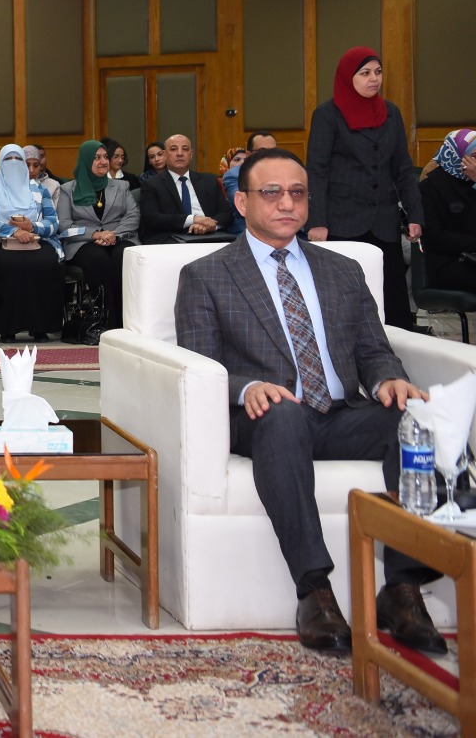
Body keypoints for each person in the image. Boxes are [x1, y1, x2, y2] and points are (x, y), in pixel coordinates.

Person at [175, 148, 443, 655]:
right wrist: (247, 388)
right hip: (263, 419)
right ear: (242, 202)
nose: (287, 204)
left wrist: (389, 381)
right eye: (271, 193)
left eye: (297, 193)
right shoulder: (207, 274)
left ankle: (403, 588)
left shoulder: (342, 270)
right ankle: (314, 590)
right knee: (284, 414)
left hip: (341, 416)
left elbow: (373, 350)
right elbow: (200, 363)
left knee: (412, 419)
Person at [306, 47, 423, 331]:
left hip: (383, 221)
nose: (374, 79)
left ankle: (395, 355)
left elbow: (403, 169)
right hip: (341, 223)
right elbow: (317, 171)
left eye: (378, 72)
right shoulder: (327, 115)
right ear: (349, 77)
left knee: (392, 301)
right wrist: (317, 221)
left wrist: (415, 215)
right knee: (344, 301)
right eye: (365, 73)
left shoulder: (391, 113)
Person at [0, 145, 64, 342]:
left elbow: (53, 221)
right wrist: (13, 231)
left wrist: (33, 227)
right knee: (9, 265)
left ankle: (41, 327)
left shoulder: (38, 189)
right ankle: (7, 328)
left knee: (46, 262)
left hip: (35, 240)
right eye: (8, 159)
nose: (13, 163)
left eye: (17, 159)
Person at [57, 140, 138, 330]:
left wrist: (114, 235)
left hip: (119, 237)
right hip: (83, 242)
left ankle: (129, 321)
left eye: (105, 157)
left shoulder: (121, 186)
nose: (103, 162)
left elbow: (133, 215)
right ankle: (107, 321)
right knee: (98, 259)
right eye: (96, 158)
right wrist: (94, 234)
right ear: (86, 161)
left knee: (124, 256)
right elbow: (64, 224)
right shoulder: (68, 190)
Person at [138, 134, 234, 244]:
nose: (180, 153)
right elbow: (152, 218)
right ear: (164, 155)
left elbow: (226, 213)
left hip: (210, 236)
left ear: (191, 154)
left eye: (185, 149)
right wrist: (193, 219)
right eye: (173, 149)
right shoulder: (151, 184)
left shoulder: (209, 181)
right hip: (171, 238)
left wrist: (210, 226)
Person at [420, 129, 476, 294]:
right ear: (458, 155)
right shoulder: (430, 187)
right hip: (448, 261)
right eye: (474, 156)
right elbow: (434, 237)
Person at [224, 134, 278, 236]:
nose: (269, 155)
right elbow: (245, 203)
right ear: (249, 154)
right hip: (249, 230)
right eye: (262, 151)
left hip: (285, 227)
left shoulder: (284, 172)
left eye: (273, 151)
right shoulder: (234, 175)